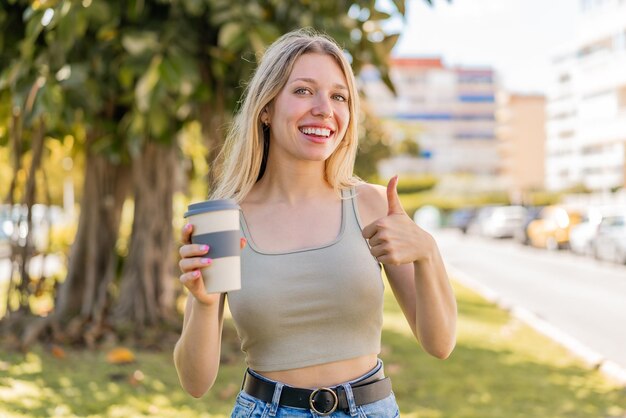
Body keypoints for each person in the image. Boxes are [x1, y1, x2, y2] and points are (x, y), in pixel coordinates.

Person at [174, 28, 457, 417]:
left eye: (339, 96)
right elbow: (195, 383)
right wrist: (204, 305)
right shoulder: (225, 220)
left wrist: (427, 252)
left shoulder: (373, 204)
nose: (325, 108)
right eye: (304, 91)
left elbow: (439, 344)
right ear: (266, 108)